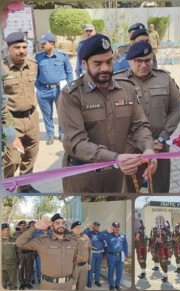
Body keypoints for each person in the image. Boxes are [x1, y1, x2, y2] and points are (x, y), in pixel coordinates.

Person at [57, 34, 156, 193]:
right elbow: (77, 142)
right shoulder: (72, 95)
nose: (105, 68)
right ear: (84, 64)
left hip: (115, 173)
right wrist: (115, 158)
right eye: (97, 63)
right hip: (83, 175)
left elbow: (139, 126)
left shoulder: (127, 89)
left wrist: (148, 148)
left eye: (109, 62)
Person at [115, 41, 180, 193]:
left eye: (147, 60)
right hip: (131, 149)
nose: (144, 64)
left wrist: (162, 138)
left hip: (160, 146)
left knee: (160, 188)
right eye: (139, 61)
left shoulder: (164, 78)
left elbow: (176, 108)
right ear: (130, 61)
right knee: (130, 190)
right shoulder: (118, 82)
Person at [2, 32, 40, 193]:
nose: (22, 51)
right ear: (8, 48)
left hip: (31, 118)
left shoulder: (33, 64)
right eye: (17, 47)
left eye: (24, 47)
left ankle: (25, 186)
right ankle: (7, 188)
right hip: (10, 121)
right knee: (12, 159)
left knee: (31, 154)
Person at [15, 213, 78, 290]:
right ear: (51, 227)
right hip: (49, 285)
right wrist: (34, 227)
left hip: (67, 284)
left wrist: (74, 282)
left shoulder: (72, 242)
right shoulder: (42, 242)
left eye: (62, 223)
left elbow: (75, 263)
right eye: (57, 223)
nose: (61, 225)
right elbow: (20, 243)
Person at [35, 32, 73, 145]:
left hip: (59, 90)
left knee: (61, 113)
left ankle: (61, 134)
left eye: (44, 43)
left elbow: (69, 73)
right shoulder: (38, 57)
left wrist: (69, 88)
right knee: (47, 115)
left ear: (52, 44)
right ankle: (50, 135)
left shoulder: (62, 56)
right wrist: (39, 89)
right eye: (41, 44)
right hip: (43, 91)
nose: (41, 46)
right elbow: (34, 74)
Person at [98, 222, 128, 291]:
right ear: (113, 228)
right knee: (111, 271)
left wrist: (125, 255)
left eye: (118, 227)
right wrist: (106, 230)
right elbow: (99, 237)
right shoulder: (108, 235)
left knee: (119, 271)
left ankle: (117, 285)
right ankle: (111, 285)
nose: (117, 228)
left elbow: (125, 245)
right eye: (115, 227)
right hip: (111, 256)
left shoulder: (123, 235)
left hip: (120, 256)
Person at [70, 221, 91, 291]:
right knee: (72, 285)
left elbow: (89, 251)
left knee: (82, 285)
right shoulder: (68, 239)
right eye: (76, 228)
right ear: (72, 229)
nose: (79, 229)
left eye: (80, 227)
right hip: (73, 266)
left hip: (84, 266)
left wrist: (89, 263)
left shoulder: (86, 238)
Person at [83, 221, 104, 288]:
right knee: (91, 268)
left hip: (100, 253)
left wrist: (105, 253)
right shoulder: (90, 233)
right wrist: (88, 228)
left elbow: (104, 242)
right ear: (93, 226)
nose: (97, 227)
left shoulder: (101, 234)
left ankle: (97, 281)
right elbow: (83, 234)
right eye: (96, 225)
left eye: (98, 226)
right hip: (92, 253)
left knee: (98, 268)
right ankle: (89, 281)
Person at [14, 220, 34, 290]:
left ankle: (27, 282)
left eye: (24, 225)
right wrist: (15, 255)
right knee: (20, 270)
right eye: (21, 225)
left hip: (29, 253)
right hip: (20, 255)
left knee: (29, 269)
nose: (23, 226)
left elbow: (33, 244)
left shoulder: (29, 234)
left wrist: (33, 254)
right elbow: (14, 245)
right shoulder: (15, 234)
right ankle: (22, 283)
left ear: (26, 226)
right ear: (19, 226)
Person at [2, 223, 19, 290]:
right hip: (1, 267)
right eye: (4, 230)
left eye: (8, 230)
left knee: (13, 285)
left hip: (12, 266)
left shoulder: (14, 240)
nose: (6, 231)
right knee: (2, 285)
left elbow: (19, 252)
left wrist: (20, 263)